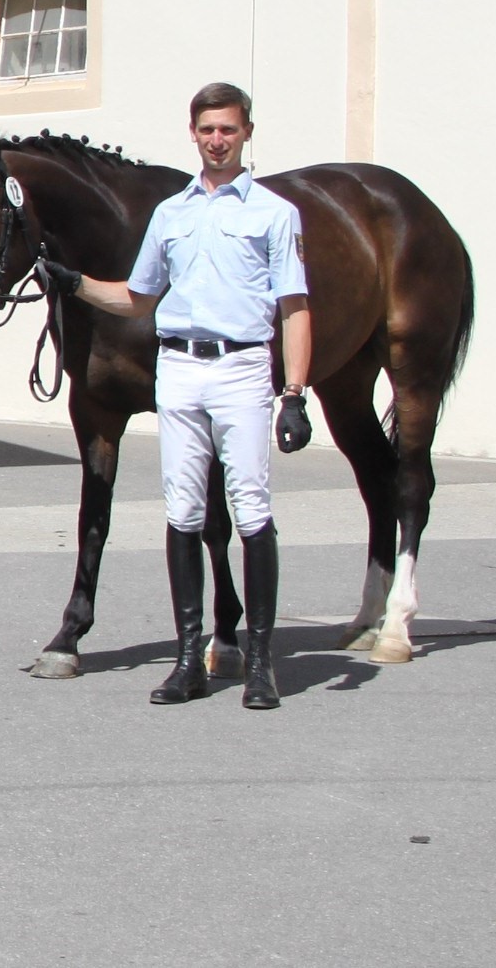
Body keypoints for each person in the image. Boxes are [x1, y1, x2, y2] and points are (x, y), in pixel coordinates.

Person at [36, 82, 310, 710]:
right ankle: (189, 660)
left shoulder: (273, 213)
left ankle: (260, 663)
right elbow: (138, 298)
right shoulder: (171, 214)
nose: (217, 140)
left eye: (228, 129)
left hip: (242, 367)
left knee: (251, 509)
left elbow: (295, 306)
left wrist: (294, 391)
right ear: (193, 133)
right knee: (183, 511)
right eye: (207, 129)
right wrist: (75, 284)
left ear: (246, 133)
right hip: (180, 368)